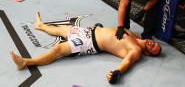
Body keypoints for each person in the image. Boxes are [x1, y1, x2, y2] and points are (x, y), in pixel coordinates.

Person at [10, 12, 161, 84]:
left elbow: (127, 62)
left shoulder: (136, 50)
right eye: (155, 44)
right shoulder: (134, 35)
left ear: (147, 52)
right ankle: (40, 25)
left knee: (58, 50)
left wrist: (117, 73)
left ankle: (26, 62)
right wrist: (99, 27)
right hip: (89, 31)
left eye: (154, 49)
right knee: (61, 29)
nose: (153, 44)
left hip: (89, 43)